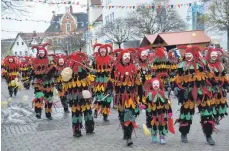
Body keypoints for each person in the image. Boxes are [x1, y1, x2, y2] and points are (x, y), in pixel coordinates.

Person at [174, 45, 216, 145]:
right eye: (187, 54)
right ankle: (184, 134)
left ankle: (208, 135)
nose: (188, 56)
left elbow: (210, 76)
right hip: (187, 93)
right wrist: (176, 88)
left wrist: (215, 85)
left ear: (194, 54)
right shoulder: (181, 65)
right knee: (186, 114)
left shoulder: (202, 63)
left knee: (207, 114)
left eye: (190, 54)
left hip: (202, 92)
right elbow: (177, 79)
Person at [111, 48, 141, 146]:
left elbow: (139, 83)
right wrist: (109, 89)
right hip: (120, 97)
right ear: (121, 57)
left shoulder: (134, 68)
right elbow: (110, 81)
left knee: (130, 115)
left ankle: (128, 137)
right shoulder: (115, 68)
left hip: (131, 97)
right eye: (125, 56)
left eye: (128, 56)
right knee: (122, 116)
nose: (127, 58)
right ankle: (126, 132)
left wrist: (141, 95)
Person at [61, 51, 95, 137]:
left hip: (84, 93)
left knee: (87, 111)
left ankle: (88, 129)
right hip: (74, 95)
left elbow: (90, 80)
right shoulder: (68, 69)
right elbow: (65, 81)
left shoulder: (84, 68)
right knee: (77, 112)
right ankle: (78, 130)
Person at [143, 73, 173, 144]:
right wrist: (144, 107)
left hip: (162, 112)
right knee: (154, 124)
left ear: (159, 84)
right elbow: (147, 104)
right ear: (152, 85)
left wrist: (169, 112)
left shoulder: (164, 93)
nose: (155, 86)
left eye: (157, 84)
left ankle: (162, 137)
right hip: (154, 113)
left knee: (162, 124)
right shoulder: (149, 95)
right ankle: (154, 136)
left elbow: (167, 103)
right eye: (154, 84)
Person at [31, 43, 56, 120]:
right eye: (39, 52)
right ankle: (38, 112)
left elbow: (54, 69)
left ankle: (48, 113)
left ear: (45, 52)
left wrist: (49, 74)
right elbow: (32, 70)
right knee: (39, 96)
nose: (41, 53)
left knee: (49, 99)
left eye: (42, 52)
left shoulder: (50, 59)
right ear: (38, 53)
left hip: (48, 82)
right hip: (39, 82)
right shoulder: (35, 60)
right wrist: (35, 75)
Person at [205, 47, 228, 124]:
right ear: (209, 55)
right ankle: (213, 117)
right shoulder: (206, 65)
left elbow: (224, 75)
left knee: (219, 102)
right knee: (211, 103)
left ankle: (217, 116)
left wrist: (226, 84)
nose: (214, 55)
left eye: (215, 54)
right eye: (212, 54)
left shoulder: (220, 64)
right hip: (209, 88)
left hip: (220, 87)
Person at [92, 43, 113, 121]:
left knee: (107, 97)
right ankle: (96, 111)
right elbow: (92, 71)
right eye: (101, 50)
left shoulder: (110, 59)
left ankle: (105, 115)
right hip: (99, 82)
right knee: (99, 97)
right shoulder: (95, 60)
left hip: (108, 81)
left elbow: (113, 70)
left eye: (104, 50)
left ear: (106, 51)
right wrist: (94, 72)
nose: (103, 51)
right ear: (99, 51)